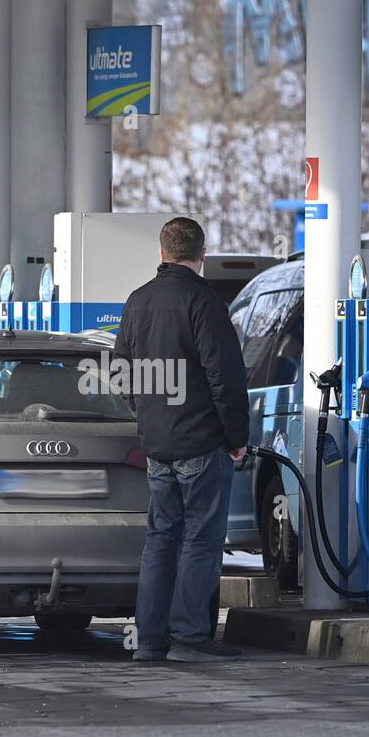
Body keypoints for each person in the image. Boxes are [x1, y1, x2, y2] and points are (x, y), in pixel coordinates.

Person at [114, 217, 251, 662]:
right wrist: (236, 438)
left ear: (161, 253)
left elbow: (120, 373)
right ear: (202, 254)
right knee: (200, 541)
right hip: (201, 444)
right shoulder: (204, 302)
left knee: (160, 540)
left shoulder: (137, 302)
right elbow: (225, 378)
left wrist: (148, 417)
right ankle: (190, 639)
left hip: (158, 446)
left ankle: (150, 641)